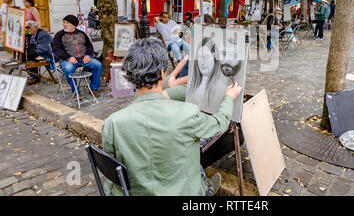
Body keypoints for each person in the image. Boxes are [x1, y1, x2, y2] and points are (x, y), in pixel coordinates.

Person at [101, 37, 243, 196]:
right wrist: (229, 97)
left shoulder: (112, 123)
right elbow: (219, 124)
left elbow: (113, 170)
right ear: (162, 72)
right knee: (196, 164)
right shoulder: (187, 113)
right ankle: (206, 188)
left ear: (130, 76)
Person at [51, 15, 102, 97]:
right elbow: (56, 49)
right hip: (68, 60)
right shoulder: (59, 35)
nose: (64, 24)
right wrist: (68, 57)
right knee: (68, 68)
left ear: (73, 24)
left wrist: (88, 55)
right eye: (64, 22)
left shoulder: (81, 34)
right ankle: (76, 91)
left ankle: (94, 88)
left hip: (83, 59)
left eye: (67, 22)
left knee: (97, 65)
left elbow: (89, 46)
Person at [24, 20, 53, 85]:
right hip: (40, 53)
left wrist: (31, 52)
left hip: (49, 54)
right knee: (26, 56)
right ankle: (32, 75)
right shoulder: (31, 35)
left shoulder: (42, 34)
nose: (27, 29)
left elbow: (43, 49)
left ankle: (34, 76)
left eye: (28, 27)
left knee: (30, 57)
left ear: (35, 27)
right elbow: (29, 46)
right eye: (26, 27)